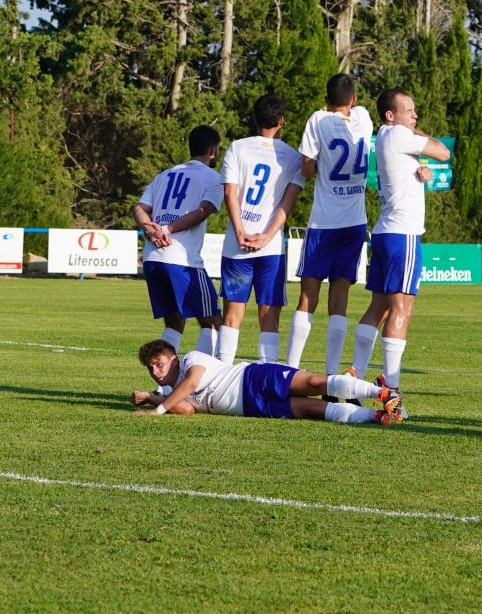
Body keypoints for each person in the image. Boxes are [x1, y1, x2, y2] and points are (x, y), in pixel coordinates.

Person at [350, 89, 451, 407]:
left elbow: (423, 163)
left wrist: (422, 170)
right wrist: (420, 140)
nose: (415, 116)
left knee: (378, 306)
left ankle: (355, 376)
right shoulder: (398, 134)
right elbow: (443, 152)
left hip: (385, 233)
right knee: (401, 308)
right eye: (408, 110)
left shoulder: (387, 137)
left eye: (415, 111)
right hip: (402, 235)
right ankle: (390, 387)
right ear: (390, 115)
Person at [287, 73, 375, 374]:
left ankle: (291, 368)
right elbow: (354, 110)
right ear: (353, 99)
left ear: (326, 100)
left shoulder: (317, 120)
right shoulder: (364, 118)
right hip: (355, 222)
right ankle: (330, 373)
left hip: (324, 222)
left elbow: (307, 169)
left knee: (308, 295)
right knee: (340, 298)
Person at [216, 94, 305, 364]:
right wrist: (266, 236)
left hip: (236, 245)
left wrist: (240, 230)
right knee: (269, 316)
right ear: (281, 121)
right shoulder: (293, 157)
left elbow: (230, 193)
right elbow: (287, 203)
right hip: (271, 249)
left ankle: (221, 372)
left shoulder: (237, 147)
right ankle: (267, 375)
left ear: (254, 119)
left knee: (232, 314)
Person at [132, 340, 402, 425]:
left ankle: (382, 392)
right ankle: (378, 415)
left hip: (252, 378)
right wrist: (152, 398)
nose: (156, 371)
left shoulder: (192, 359)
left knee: (313, 382)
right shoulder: (171, 394)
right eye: (151, 367)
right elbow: (186, 409)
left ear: (174, 359)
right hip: (251, 406)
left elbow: (191, 384)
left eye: (160, 363)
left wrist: (157, 409)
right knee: (311, 410)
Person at [133, 126, 224, 354]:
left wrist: (150, 229)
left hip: (153, 258)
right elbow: (203, 211)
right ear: (213, 150)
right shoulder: (215, 178)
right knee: (213, 323)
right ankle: (204, 382)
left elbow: (139, 208)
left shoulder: (164, 175)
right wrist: (167, 229)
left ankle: (164, 388)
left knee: (174, 323)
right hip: (181, 260)